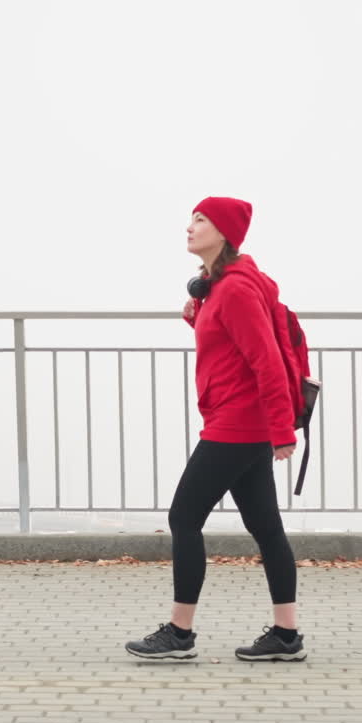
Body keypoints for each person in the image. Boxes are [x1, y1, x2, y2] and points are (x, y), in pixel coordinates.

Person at [125, 196, 307, 663]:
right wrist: (197, 317)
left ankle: (180, 633)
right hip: (240, 421)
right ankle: (286, 636)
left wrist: (282, 428)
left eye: (201, 220)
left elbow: (264, 359)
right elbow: (231, 350)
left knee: (184, 517)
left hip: (237, 424)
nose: (189, 226)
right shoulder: (217, 288)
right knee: (265, 526)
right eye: (191, 217)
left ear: (223, 232)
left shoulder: (235, 290)